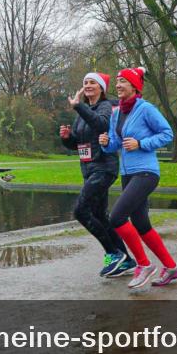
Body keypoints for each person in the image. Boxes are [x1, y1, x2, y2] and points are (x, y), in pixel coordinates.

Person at [98, 67, 177, 289]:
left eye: (123, 81)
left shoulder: (146, 109)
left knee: (116, 217)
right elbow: (116, 144)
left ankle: (144, 265)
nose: (118, 85)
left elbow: (167, 134)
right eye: (117, 81)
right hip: (128, 173)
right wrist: (106, 143)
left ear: (135, 86)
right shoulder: (116, 113)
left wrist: (141, 144)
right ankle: (171, 267)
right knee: (142, 224)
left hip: (146, 172)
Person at [60, 72, 136, 279]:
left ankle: (112, 253)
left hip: (104, 167)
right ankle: (126, 260)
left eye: (93, 82)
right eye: (85, 82)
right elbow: (78, 143)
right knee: (101, 215)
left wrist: (78, 106)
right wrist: (67, 138)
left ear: (101, 88)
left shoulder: (105, 107)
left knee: (81, 211)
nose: (88, 85)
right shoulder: (83, 112)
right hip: (88, 169)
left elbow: (102, 125)